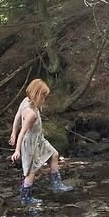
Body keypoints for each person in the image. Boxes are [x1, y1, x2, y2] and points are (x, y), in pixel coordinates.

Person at [9, 78, 72, 206]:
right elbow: (23, 132)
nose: (45, 100)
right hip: (31, 144)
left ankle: (56, 184)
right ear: (37, 95)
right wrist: (17, 149)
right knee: (31, 172)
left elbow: (17, 116)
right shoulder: (31, 114)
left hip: (39, 139)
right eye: (44, 97)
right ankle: (25, 197)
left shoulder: (25, 101)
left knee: (54, 154)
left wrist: (12, 133)